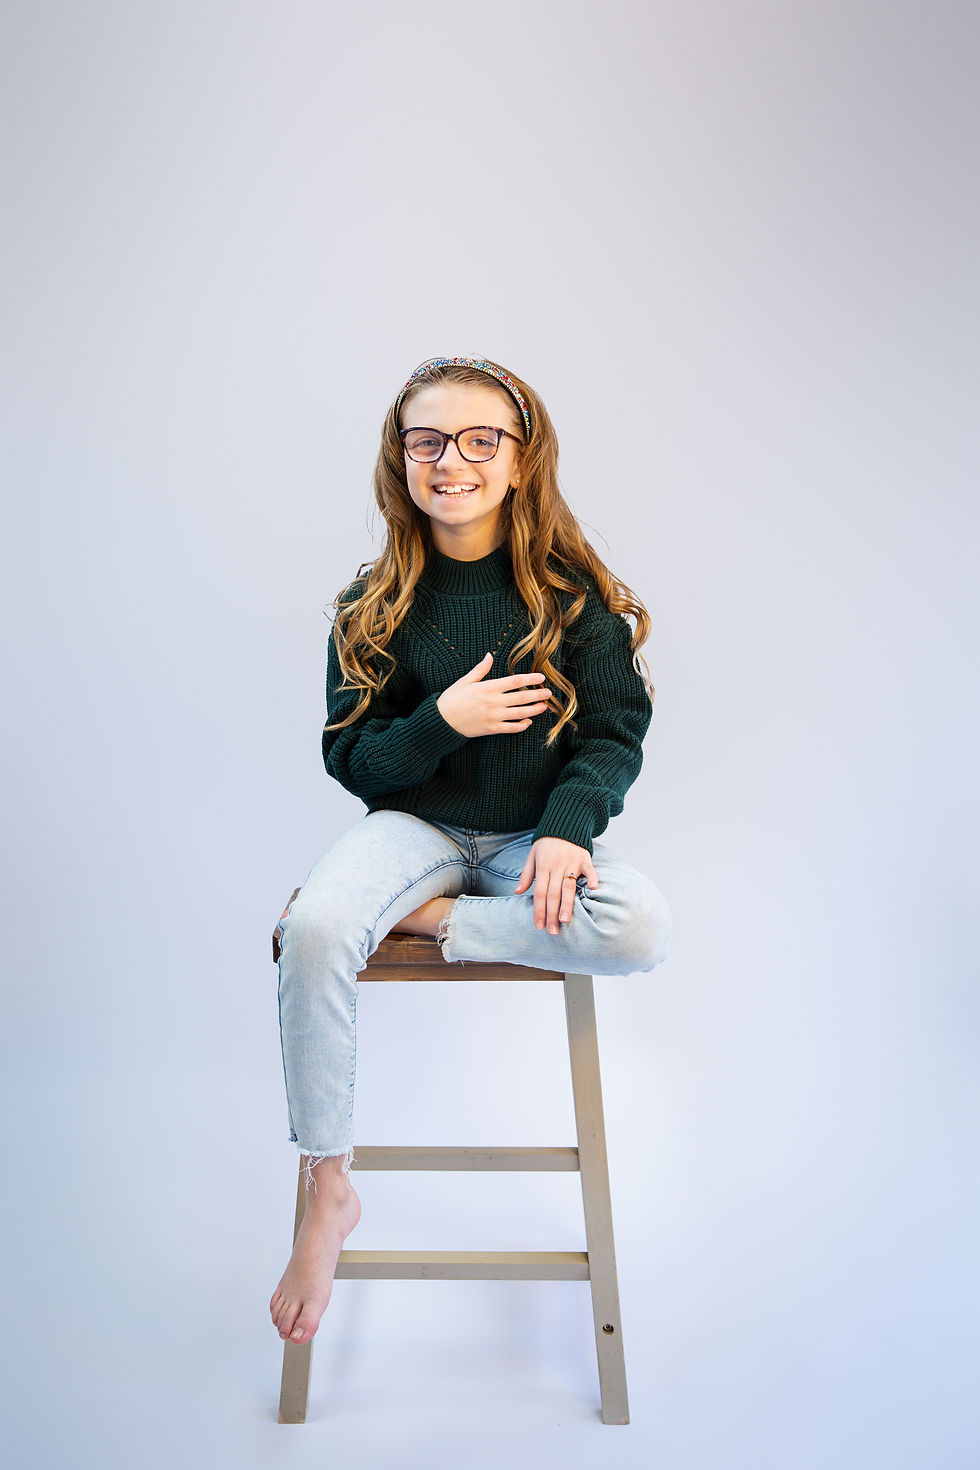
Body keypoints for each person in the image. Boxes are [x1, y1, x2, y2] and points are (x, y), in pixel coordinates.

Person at [270, 355, 673, 1348]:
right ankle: (327, 1185)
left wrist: (569, 827)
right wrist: (441, 722)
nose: (451, 460)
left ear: (520, 456)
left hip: (531, 837)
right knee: (314, 933)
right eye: (427, 441)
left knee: (636, 924)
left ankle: (419, 918)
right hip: (416, 827)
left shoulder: (571, 598)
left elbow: (612, 736)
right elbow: (353, 760)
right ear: (400, 459)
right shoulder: (371, 603)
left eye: (478, 438)